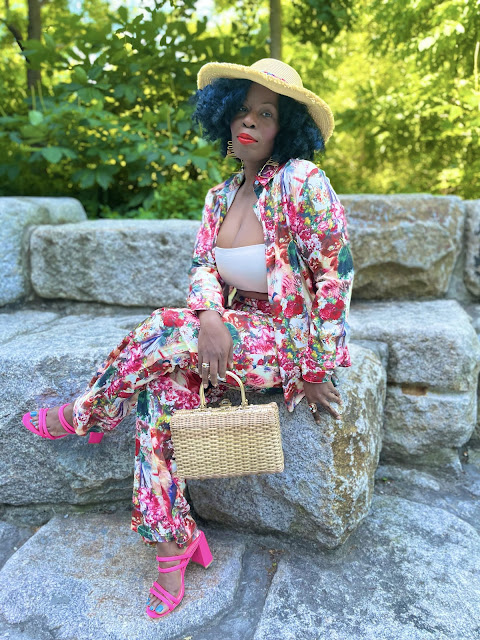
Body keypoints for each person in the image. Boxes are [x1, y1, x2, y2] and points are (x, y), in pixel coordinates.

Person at [21, 58, 354, 619]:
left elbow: (334, 275)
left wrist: (319, 368)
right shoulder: (219, 197)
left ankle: (89, 412)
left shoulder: (301, 181)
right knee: (163, 388)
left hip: (283, 340)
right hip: (228, 332)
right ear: (223, 116)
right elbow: (203, 265)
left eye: (266, 114)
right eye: (241, 110)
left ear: (286, 127)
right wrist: (210, 316)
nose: (249, 122)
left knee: (165, 325)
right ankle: (173, 541)